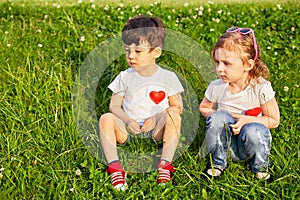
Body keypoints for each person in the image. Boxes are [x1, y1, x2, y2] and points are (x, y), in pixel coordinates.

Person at [99, 15, 184, 190]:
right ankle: (115, 167)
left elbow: (177, 106)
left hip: (156, 129)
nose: (131, 56)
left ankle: (165, 164)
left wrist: (156, 117)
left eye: (138, 51)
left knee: (173, 116)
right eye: (127, 50)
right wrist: (128, 120)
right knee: (106, 118)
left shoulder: (167, 77)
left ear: (156, 52)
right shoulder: (125, 76)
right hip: (128, 129)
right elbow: (114, 106)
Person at [199, 27, 280, 181]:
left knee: (254, 129)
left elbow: (274, 120)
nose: (219, 69)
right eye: (217, 62)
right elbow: (204, 107)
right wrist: (220, 117)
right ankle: (218, 162)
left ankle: (260, 167)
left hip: (249, 145)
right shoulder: (217, 86)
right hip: (225, 144)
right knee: (218, 118)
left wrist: (248, 120)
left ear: (248, 65)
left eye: (226, 64)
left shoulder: (260, 88)